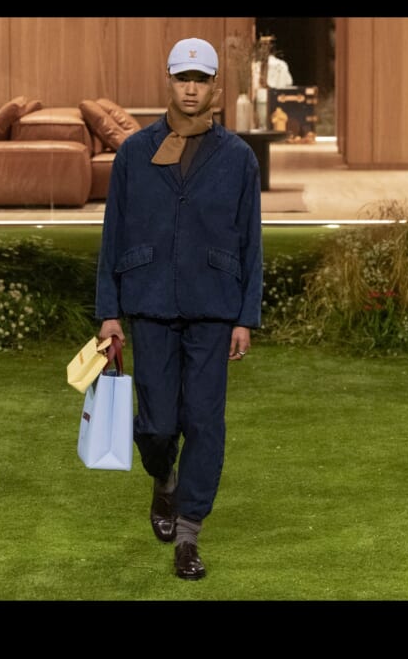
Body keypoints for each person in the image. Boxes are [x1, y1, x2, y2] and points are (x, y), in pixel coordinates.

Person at [95, 37, 263, 580]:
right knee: (158, 424)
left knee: (204, 423)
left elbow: (251, 242)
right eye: (182, 78)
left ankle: (189, 534)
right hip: (148, 301)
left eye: (201, 79)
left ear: (215, 86)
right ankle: (163, 478)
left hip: (214, 304)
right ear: (168, 81)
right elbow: (113, 234)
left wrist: (245, 316)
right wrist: (109, 311)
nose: (191, 89)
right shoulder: (133, 153)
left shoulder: (237, 157)